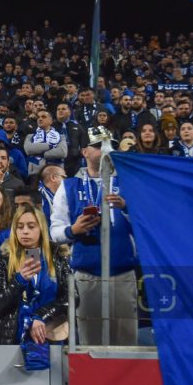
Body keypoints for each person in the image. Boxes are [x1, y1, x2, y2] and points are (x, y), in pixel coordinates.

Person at [50, 137, 138, 345]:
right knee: (91, 344)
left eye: (109, 145)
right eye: (98, 145)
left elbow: (146, 225)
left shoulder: (127, 183)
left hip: (122, 274)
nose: (105, 149)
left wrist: (126, 207)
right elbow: (55, 231)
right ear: (84, 152)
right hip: (87, 275)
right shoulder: (69, 186)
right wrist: (73, 230)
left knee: (126, 342)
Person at [0, 203, 74, 345]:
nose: (25, 231)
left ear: (41, 228)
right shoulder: (5, 259)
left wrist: (40, 316)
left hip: (53, 336)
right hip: (14, 338)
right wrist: (19, 280)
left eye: (31, 226)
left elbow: (71, 297)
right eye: (20, 226)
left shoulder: (58, 256)